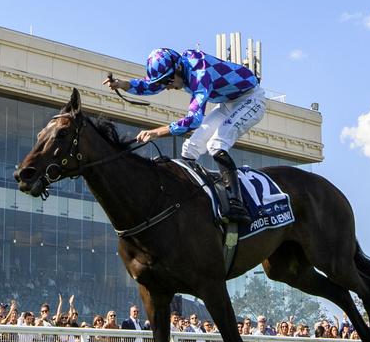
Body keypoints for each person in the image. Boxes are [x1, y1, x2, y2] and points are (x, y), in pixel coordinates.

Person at [104, 48, 266, 224]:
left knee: (216, 145)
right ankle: (190, 197)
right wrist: (123, 84)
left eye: (167, 82)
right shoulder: (178, 69)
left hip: (251, 99)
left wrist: (156, 132)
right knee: (190, 148)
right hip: (227, 102)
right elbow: (151, 85)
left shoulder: (199, 71)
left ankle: (237, 205)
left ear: (178, 70)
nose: (167, 87)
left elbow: (194, 120)